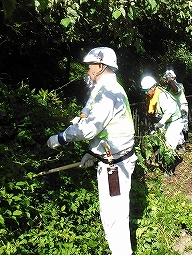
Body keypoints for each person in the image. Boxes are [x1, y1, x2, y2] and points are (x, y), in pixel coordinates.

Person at [47, 47, 137, 255]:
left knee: (114, 217)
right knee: (112, 214)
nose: (88, 71)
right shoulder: (104, 89)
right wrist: (92, 152)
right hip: (111, 159)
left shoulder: (107, 93)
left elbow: (89, 128)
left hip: (115, 165)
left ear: (101, 66)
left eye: (90, 67)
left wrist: (61, 138)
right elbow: (99, 126)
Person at [140, 75, 184, 153]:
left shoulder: (161, 95)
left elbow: (170, 110)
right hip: (167, 121)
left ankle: (170, 159)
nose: (146, 93)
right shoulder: (154, 96)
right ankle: (159, 157)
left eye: (147, 91)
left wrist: (160, 123)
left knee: (169, 140)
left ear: (153, 87)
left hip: (175, 120)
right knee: (153, 136)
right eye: (144, 91)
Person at [163, 69, 189, 144]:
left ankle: (185, 140)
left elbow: (176, 91)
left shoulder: (179, 85)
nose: (166, 81)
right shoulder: (168, 88)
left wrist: (171, 81)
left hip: (182, 106)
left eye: (167, 79)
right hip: (175, 108)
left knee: (184, 123)